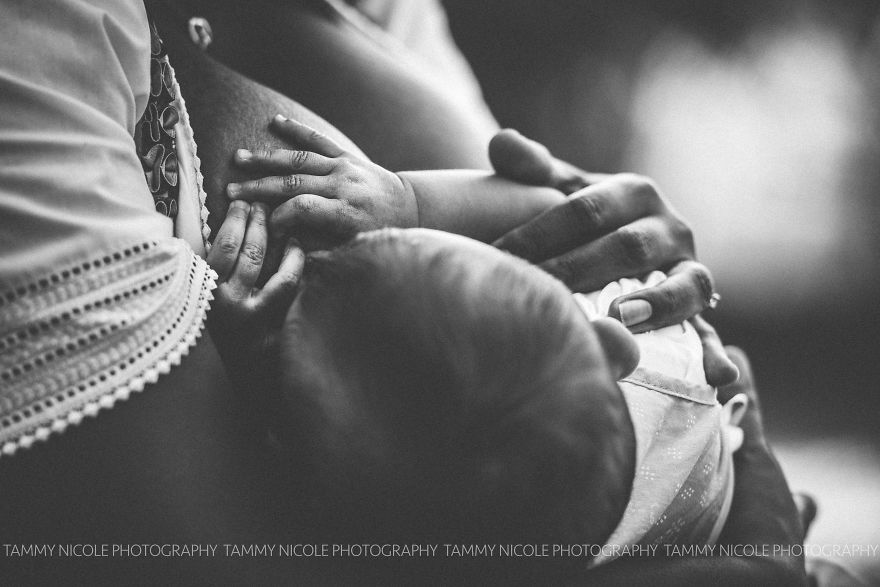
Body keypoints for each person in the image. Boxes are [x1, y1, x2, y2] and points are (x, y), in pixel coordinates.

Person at [0, 0, 803, 583]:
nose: (314, 266)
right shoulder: (562, 364)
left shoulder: (483, 449)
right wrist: (414, 205)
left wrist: (251, 355)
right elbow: (537, 215)